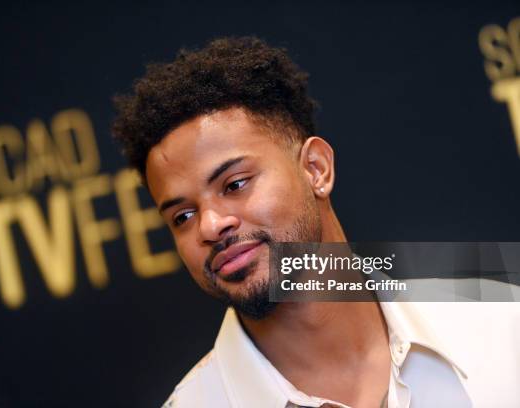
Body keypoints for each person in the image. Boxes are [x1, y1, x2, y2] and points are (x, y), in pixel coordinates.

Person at [112, 37, 520, 407]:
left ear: (315, 169)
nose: (210, 225)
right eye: (183, 216)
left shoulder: (501, 332)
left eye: (234, 184)